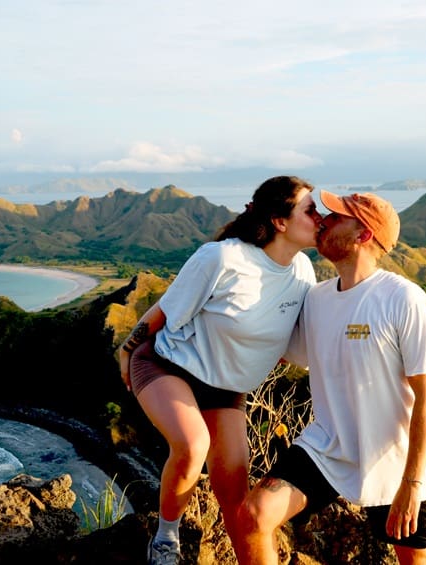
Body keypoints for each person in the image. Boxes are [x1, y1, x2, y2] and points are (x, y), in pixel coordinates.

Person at [118, 175, 322, 564]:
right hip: (167, 366)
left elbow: (297, 347)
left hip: (226, 389)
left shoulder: (302, 274)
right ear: (280, 222)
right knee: (193, 444)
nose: (319, 217)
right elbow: (166, 308)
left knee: (235, 491)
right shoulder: (224, 258)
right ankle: (165, 539)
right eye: (310, 210)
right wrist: (127, 350)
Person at [236, 190, 426, 565]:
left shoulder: (404, 299)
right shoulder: (316, 299)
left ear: (363, 235)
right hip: (328, 446)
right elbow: (282, 349)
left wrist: (412, 482)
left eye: (336, 218)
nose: (323, 222)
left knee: (413, 556)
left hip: (392, 459)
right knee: (254, 515)